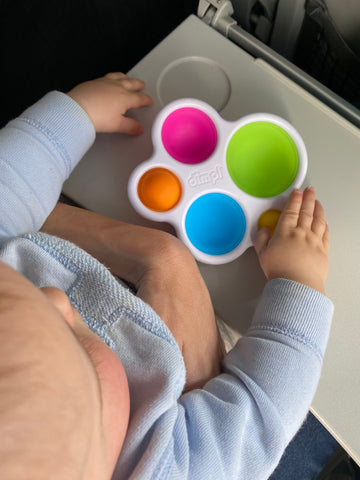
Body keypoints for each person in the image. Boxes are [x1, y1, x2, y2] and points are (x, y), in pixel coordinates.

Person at [0, 73, 334, 479]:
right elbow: (262, 415)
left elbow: (8, 186)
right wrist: (298, 281)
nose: (54, 299)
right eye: (81, 357)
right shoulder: (169, 467)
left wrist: (76, 115)